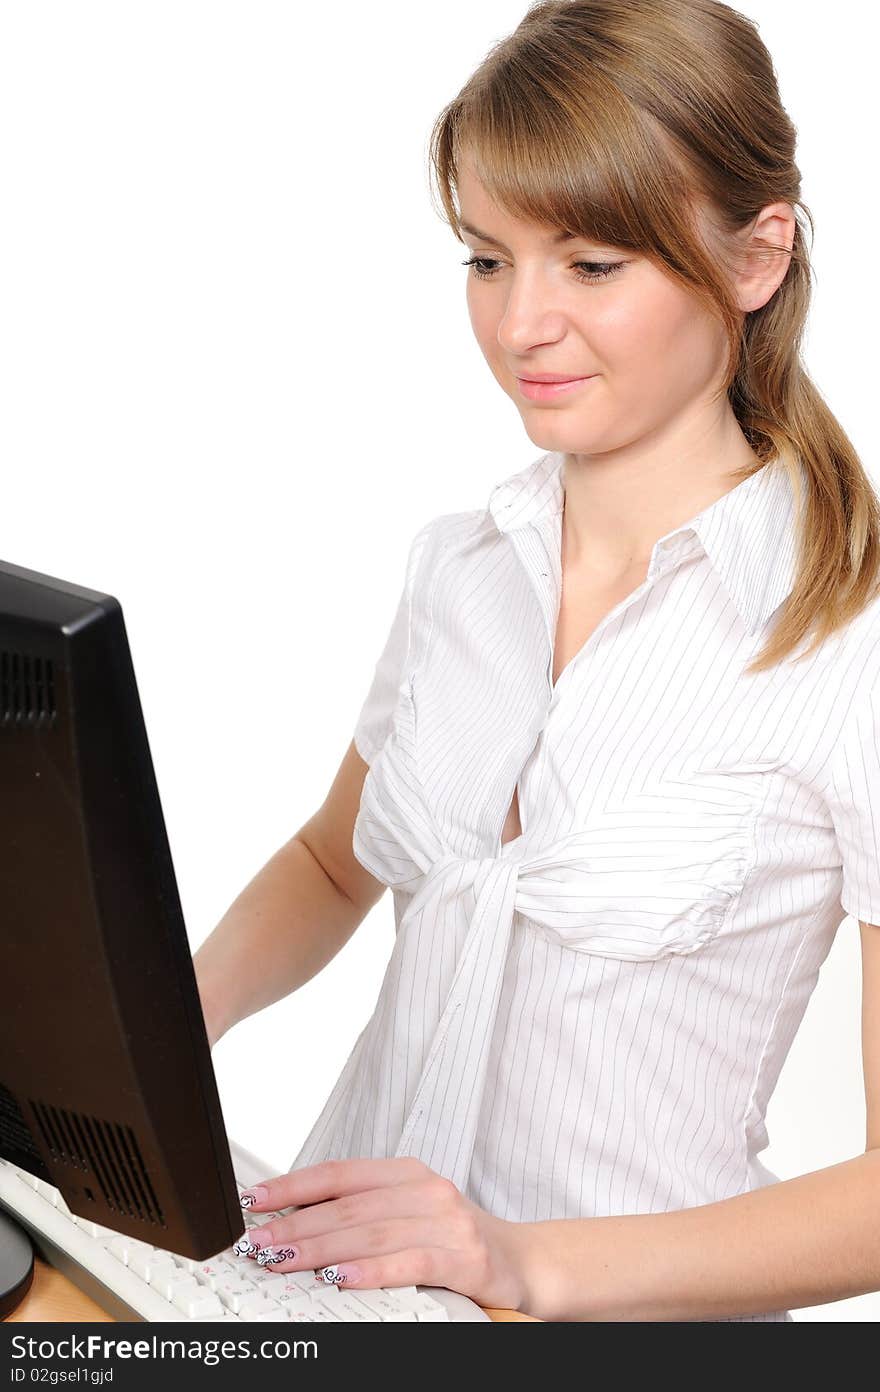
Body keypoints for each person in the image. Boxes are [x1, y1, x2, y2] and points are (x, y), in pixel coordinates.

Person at [193, 0, 880, 1322]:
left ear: (757, 257)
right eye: (487, 259)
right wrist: (159, 1034)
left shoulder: (848, 639)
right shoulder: (460, 569)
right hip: (332, 1297)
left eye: (593, 264)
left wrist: (525, 1263)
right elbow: (337, 863)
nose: (521, 327)